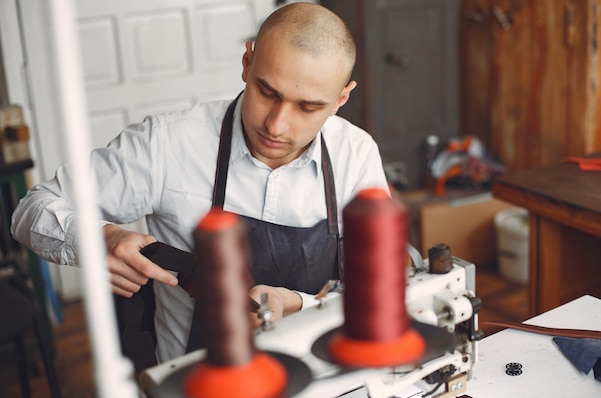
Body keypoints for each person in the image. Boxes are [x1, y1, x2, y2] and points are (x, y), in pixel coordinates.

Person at [11, 2, 389, 365]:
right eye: (267, 92)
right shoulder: (167, 144)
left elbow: (377, 288)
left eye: (308, 107)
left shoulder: (355, 157)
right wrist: (100, 240)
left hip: (323, 383)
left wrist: (299, 304)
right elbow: (31, 209)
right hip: (197, 393)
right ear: (247, 62)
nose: (276, 125)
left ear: (340, 99)